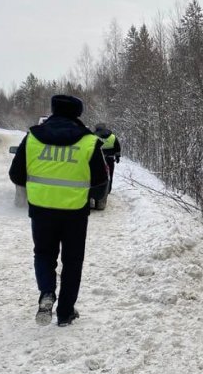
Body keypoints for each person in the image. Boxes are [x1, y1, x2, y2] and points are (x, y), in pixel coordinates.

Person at [9, 95, 109, 327]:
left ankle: (46, 293)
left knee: (44, 254)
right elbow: (101, 181)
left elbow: (16, 175)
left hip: (42, 209)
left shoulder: (33, 137)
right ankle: (65, 313)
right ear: (78, 114)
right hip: (74, 212)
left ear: (53, 111)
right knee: (72, 261)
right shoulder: (88, 141)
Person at [93, 123, 121, 193]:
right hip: (110, 159)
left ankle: (96, 190)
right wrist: (117, 156)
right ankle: (108, 190)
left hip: (98, 160)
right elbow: (117, 147)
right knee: (110, 175)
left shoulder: (93, 136)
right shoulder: (112, 136)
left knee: (96, 175)